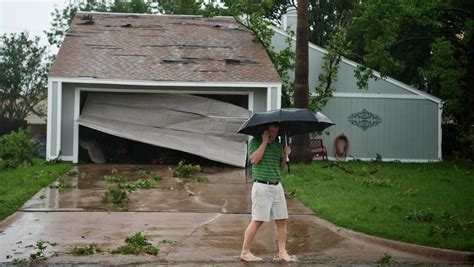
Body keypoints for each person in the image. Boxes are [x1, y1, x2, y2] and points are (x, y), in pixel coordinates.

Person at [240, 122, 296, 262]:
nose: (274, 134)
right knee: (258, 220)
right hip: (262, 186)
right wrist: (264, 142)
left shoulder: (278, 145)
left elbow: (281, 168)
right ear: (265, 131)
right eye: (271, 131)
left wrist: (285, 155)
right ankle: (245, 252)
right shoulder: (255, 142)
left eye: (276, 132)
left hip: (277, 186)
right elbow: (254, 160)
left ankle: (282, 252)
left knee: (281, 220)